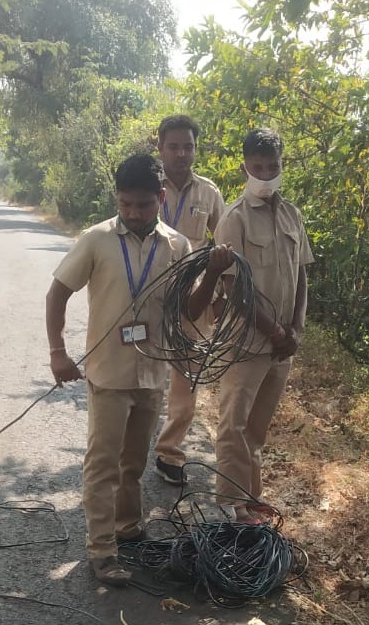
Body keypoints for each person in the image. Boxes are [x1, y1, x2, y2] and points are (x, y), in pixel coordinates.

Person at [46, 153, 232, 586]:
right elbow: (57, 293)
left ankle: (128, 528)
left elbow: (188, 310)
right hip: (108, 374)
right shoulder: (96, 240)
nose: (133, 213)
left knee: (134, 461)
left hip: (152, 372)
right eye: (125, 204)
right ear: (117, 199)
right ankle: (101, 549)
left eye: (143, 205)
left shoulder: (177, 247)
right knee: (103, 463)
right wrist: (58, 352)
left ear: (161, 199)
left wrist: (212, 274)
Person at [188, 128, 313, 520]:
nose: (265, 174)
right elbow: (234, 290)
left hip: (282, 348)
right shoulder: (233, 220)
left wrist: (296, 329)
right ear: (245, 167)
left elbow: (303, 275)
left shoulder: (292, 214)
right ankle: (231, 508)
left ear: (281, 166)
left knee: (257, 431)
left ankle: (251, 498)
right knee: (233, 428)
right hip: (246, 345)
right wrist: (274, 331)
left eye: (272, 167)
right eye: (257, 167)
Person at [151, 115, 227, 486]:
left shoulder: (209, 193)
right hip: (149, 294)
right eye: (174, 146)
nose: (182, 153)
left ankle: (169, 452)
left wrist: (224, 293)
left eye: (188, 146)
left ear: (196, 149)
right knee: (143, 372)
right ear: (160, 147)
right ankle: (133, 443)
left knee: (187, 378)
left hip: (195, 299)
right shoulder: (147, 184)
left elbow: (227, 245)